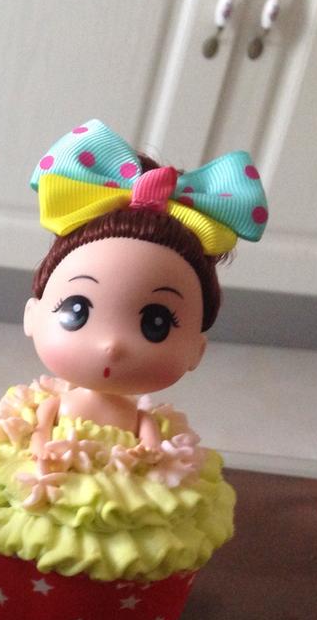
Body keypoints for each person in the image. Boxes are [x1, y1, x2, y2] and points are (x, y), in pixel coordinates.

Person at [24, 120, 268, 451]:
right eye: (76, 310)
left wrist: (150, 460)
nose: (112, 345)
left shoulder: (138, 419)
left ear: (197, 350)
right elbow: (39, 432)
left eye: (156, 324)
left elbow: (151, 451)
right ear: (32, 315)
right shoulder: (56, 406)